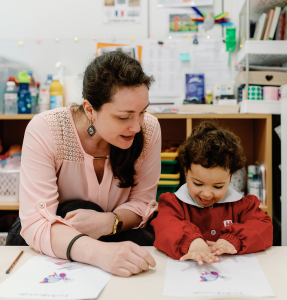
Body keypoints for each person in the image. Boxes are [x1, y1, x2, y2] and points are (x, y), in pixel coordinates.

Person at [6, 51, 161, 277]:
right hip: (53, 243)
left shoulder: (148, 128)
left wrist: (111, 221)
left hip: (114, 236)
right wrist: (101, 253)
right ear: (90, 109)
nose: (137, 126)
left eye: (142, 112)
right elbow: (38, 222)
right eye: (124, 117)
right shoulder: (46, 129)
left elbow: (143, 203)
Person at [151, 121, 273, 265]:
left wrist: (234, 239)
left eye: (218, 186)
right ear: (186, 171)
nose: (207, 194)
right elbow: (165, 226)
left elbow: (263, 227)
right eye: (198, 183)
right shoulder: (174, 204)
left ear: (231, 177)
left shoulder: (241, 205)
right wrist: (192, 241)